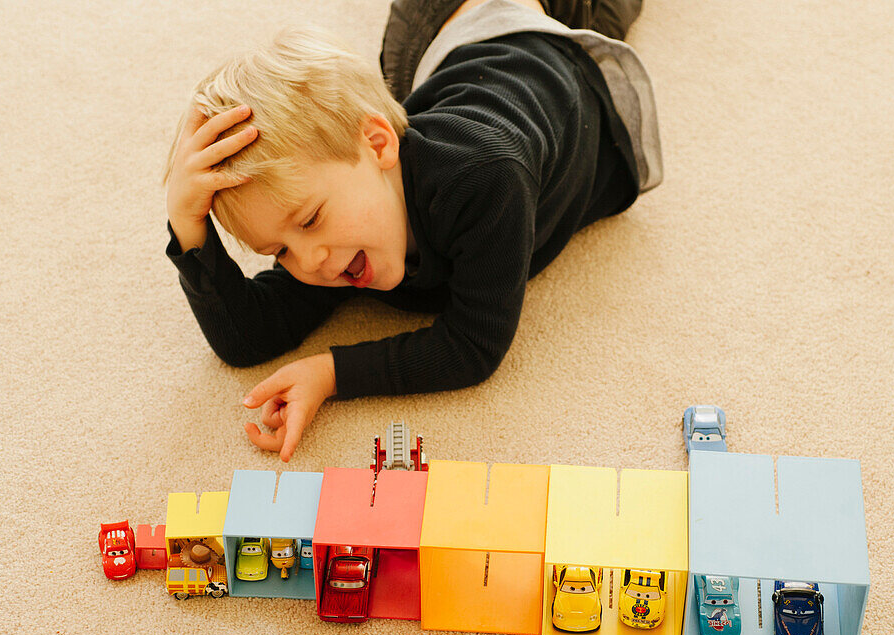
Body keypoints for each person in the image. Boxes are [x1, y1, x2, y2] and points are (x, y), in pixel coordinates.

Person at [162, 0, 661, 461]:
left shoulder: (488, 179)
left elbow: (473, 346)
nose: (307, 260)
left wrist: (332, 373)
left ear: (379, 145)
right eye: (279, 250)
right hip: (455, 62)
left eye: (310, 220)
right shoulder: (334, 236)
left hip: (540, 60)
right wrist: (188, 226)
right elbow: (247, 336)